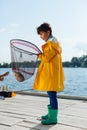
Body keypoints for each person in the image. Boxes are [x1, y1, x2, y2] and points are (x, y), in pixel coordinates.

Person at [33, 23, 65, 125]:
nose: (41, 37)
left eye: (42, 34)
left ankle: (53, 118)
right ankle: (50, 114)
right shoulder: (53, 42)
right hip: (52, 74)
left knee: (52, 95)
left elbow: (46, 58)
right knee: (51, 94)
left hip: (52, 74)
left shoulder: (51, 43)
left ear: (48, 32)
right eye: (40, 35)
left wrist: (39, 55)